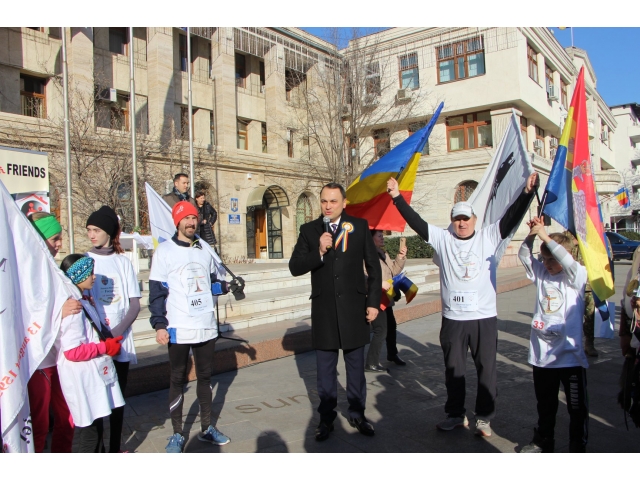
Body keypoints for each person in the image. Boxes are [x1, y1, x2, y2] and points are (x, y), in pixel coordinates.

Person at [386, 172, 537, 437]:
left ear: (474, 220)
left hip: (483, 317)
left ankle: (484, 418)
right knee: (454, 370)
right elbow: (416, 222)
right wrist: (397, 197)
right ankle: (455, 414)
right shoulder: (443, 239)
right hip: (453, 319)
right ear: (452, 221)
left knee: (486, 369)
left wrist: (526, 193)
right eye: (457, 219)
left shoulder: (489, 237)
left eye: (466, 218)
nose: (462, 223)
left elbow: (511, 217)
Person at [289, 183, 382, 441]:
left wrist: (373, 302)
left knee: (356, 370)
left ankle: (358, 414)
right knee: (325, 372)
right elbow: (295, 266)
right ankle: (326, 419)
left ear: (344, 202)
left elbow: (374, 268)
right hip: (325, 312)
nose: (328, 206)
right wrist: (318, 251)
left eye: (333, 201)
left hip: (354, 309)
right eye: (324, 201)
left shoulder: (359, 226)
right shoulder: (309, 230)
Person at [148, 201, 231, 453]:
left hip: (205, 324)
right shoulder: (164, 251)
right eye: (186, 218)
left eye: (194, 218)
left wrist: (227, 286)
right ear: (177, 222)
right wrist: (159, 324)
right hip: (178, 326)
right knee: (177, 378)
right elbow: (157, 292)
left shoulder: (205, 248)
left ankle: (207, 428)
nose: (191, 222)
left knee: (205, 377)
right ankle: (177, 433)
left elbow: (212, 283)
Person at [518, 218, 589, 453]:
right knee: (545, 405)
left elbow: (566, 260)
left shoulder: (576, 276)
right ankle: (543, 440)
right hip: (543, 357)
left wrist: (545, 236)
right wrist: (532, 234)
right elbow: (523, 255)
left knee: (576, 407)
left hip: (569, 358)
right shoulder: (541, 275)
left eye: (552, 259)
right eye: (544, 258)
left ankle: (577, 445)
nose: (547, 264)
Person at [85, 205, 141, 453]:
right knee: (97, 400)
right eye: (89, 230)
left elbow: (134, 304)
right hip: (96, 343)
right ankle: (98, 451)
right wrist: (101, 335)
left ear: (108, 231)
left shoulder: (122, 263)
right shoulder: (85, 261)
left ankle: (115, 449)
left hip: (119, 342)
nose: (91, 235)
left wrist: (115, 333)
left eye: (96, 230)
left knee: (118, 399)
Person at [58, 254, 125, 453]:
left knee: (96, 427)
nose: (94, 277)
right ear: (78, 276)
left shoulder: (83, 301)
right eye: (90, 273)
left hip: (90, 375)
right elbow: (72, 351)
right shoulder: (75, 309)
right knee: (90, 433)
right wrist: (104, 347)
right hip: (82, 377)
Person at [26, 212, 82, 453]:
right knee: (38, 424)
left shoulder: (55, 270)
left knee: (67, 417)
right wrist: (60, 313)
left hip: (62, 358)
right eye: (54, 239)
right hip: (39, 361)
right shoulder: (25, 273)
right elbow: (28, 315)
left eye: (60, 238)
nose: (59, 244)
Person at [365, 229, 407, 372]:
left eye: (382, 235)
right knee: (380, 330)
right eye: (379, 235)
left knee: (391, 326)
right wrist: (379, 284)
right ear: (371, 238)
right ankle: (371, 363)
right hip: (375, 298)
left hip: (386, 297)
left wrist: (400, 257)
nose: (382, 237)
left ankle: (392, 354)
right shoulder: (365, 255)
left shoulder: (383, 253)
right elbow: (364, 277)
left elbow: (393, 271)